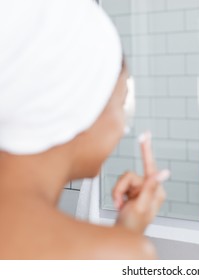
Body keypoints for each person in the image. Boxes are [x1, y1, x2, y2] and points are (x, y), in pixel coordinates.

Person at [0, 0, 167, 259]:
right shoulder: (116, 255)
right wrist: (125, 243)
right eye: (121, 103)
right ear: (80, 105)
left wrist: (125, 232)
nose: (122, 126)